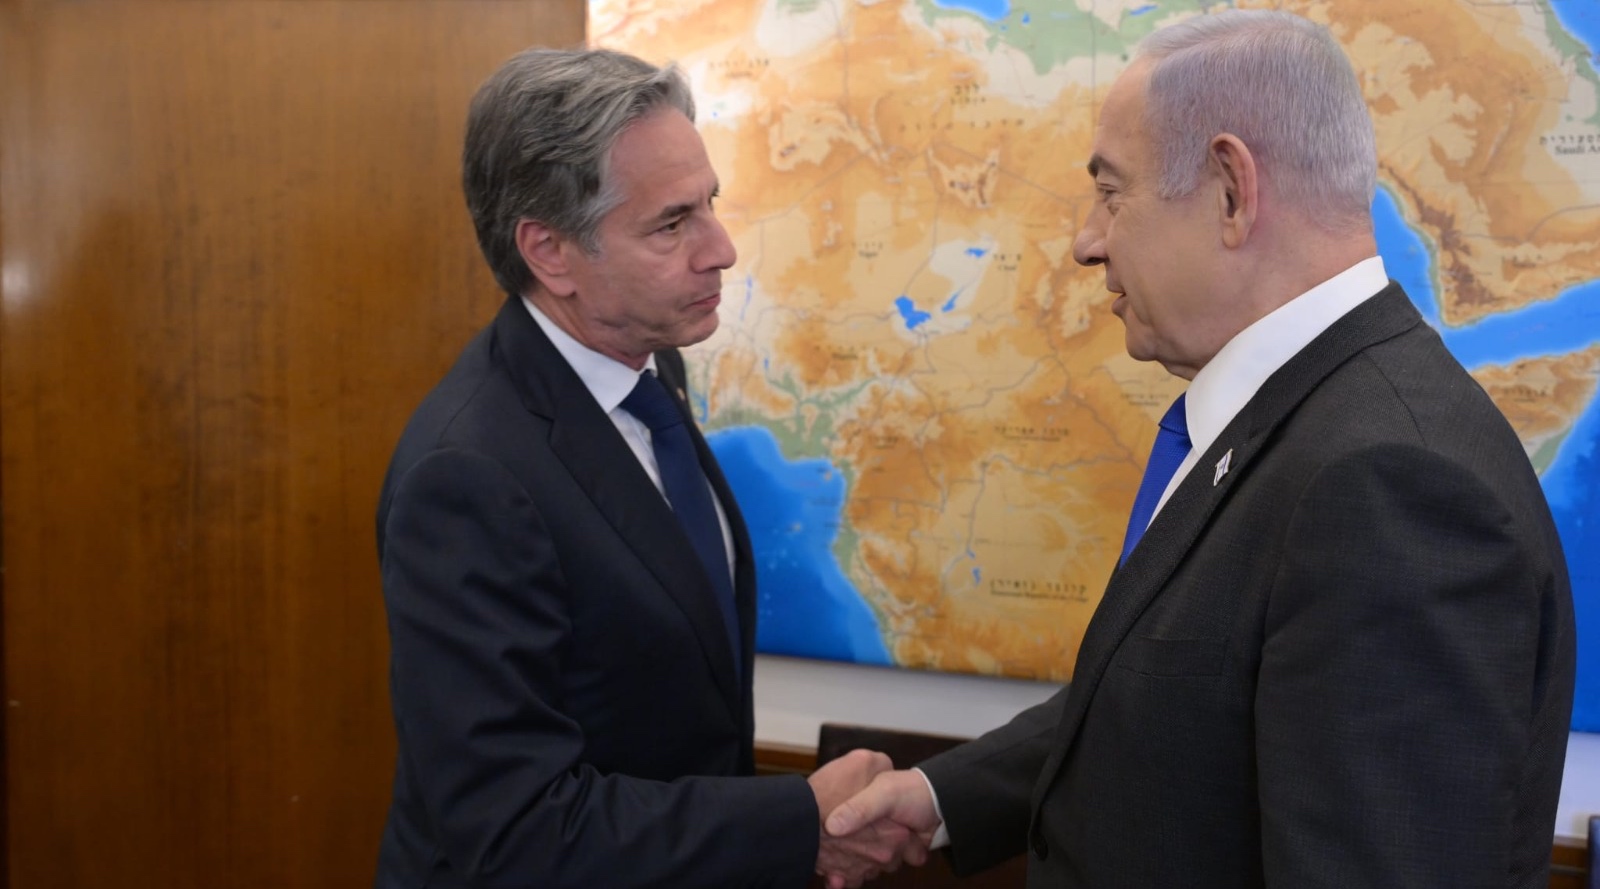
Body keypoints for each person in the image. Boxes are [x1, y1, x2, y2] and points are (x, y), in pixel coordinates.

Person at [822, 10, 1576, 889]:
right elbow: (1178, 702)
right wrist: (943, 796)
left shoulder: (1388, 485)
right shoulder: (1304, 420)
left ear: (1229, 189)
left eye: (1112, 190)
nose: (1085, 239)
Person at [374, 47, 918, 889]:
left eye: (711, 206)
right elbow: (517, 831)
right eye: (672, 224)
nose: (723, 249)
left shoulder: (650, 368)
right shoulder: (469, 477)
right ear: (550, 253)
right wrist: (797, 821)